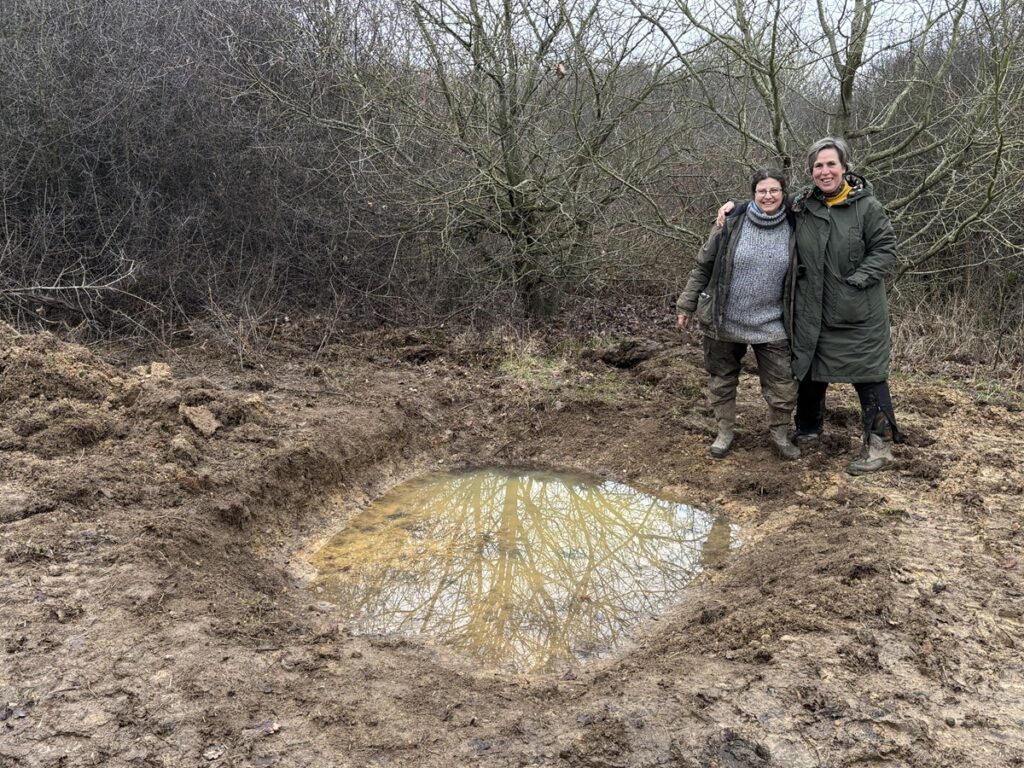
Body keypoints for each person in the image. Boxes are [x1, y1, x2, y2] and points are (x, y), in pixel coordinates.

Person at [718, 137, 900, 474]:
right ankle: (809, 430)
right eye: (818, 166)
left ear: (845, 167)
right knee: (810, 368)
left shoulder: (867, 207)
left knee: (870, 376)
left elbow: (886, 249)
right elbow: (768, 201)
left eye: (831, 164)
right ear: (811, 171)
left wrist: (856, 281)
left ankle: (880, 447)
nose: (825, 171)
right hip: (812, 309)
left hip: (859, 313)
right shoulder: (804, 203)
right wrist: (737, 205)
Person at [677, 169, 800, 461]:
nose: (768, 196)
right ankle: (725, 431)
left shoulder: (797, 224)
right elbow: (703, 266)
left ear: (784, 194)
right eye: (761, 191)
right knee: (721, 379)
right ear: (752, 194)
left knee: (783, 385)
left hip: (773, 323)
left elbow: (818, 195)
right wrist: (686, 304)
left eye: (774, 190)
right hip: (724, 317)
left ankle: (780, 434)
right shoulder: (730, 221)